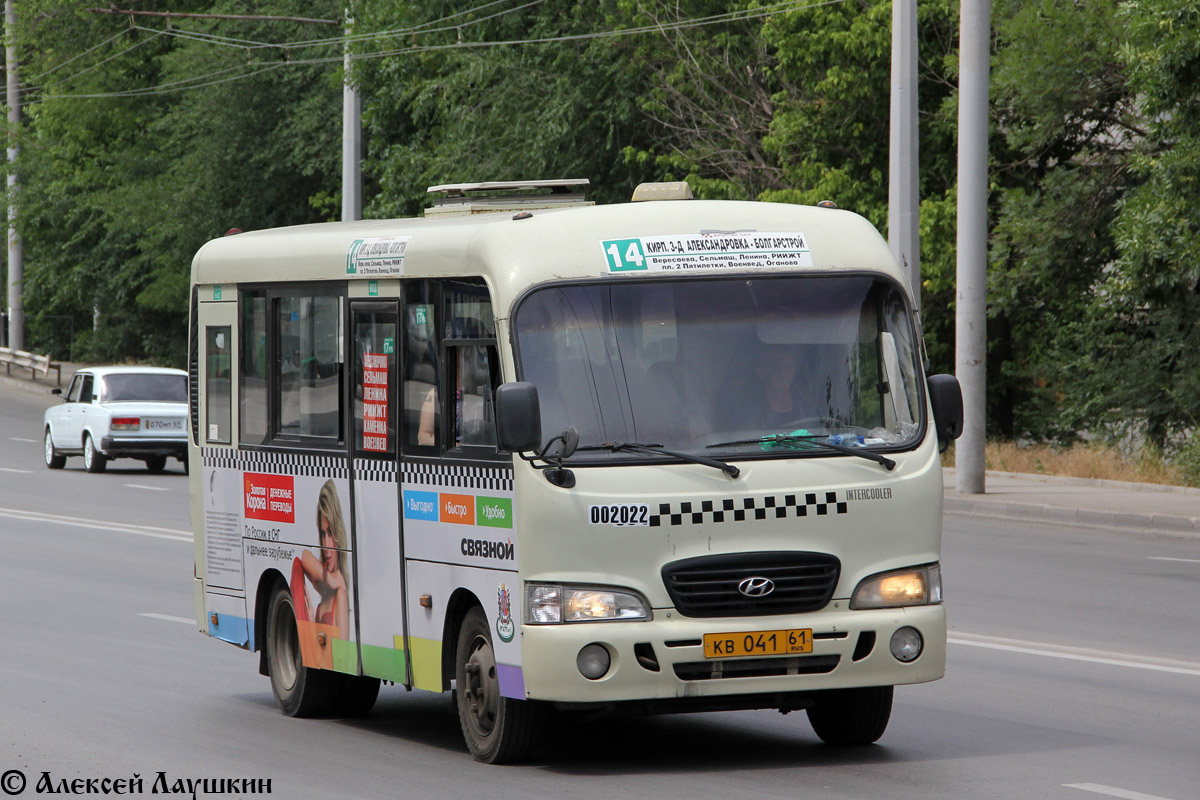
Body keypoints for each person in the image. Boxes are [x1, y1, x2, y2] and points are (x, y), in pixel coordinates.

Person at [290, 480, 350, 638]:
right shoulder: (326, 584)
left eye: (330, 533)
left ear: (339, 534)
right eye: (323, 534)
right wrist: (329, 579)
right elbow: (303, 557)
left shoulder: (340, 594)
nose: (327, 545)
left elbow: (342, 654)